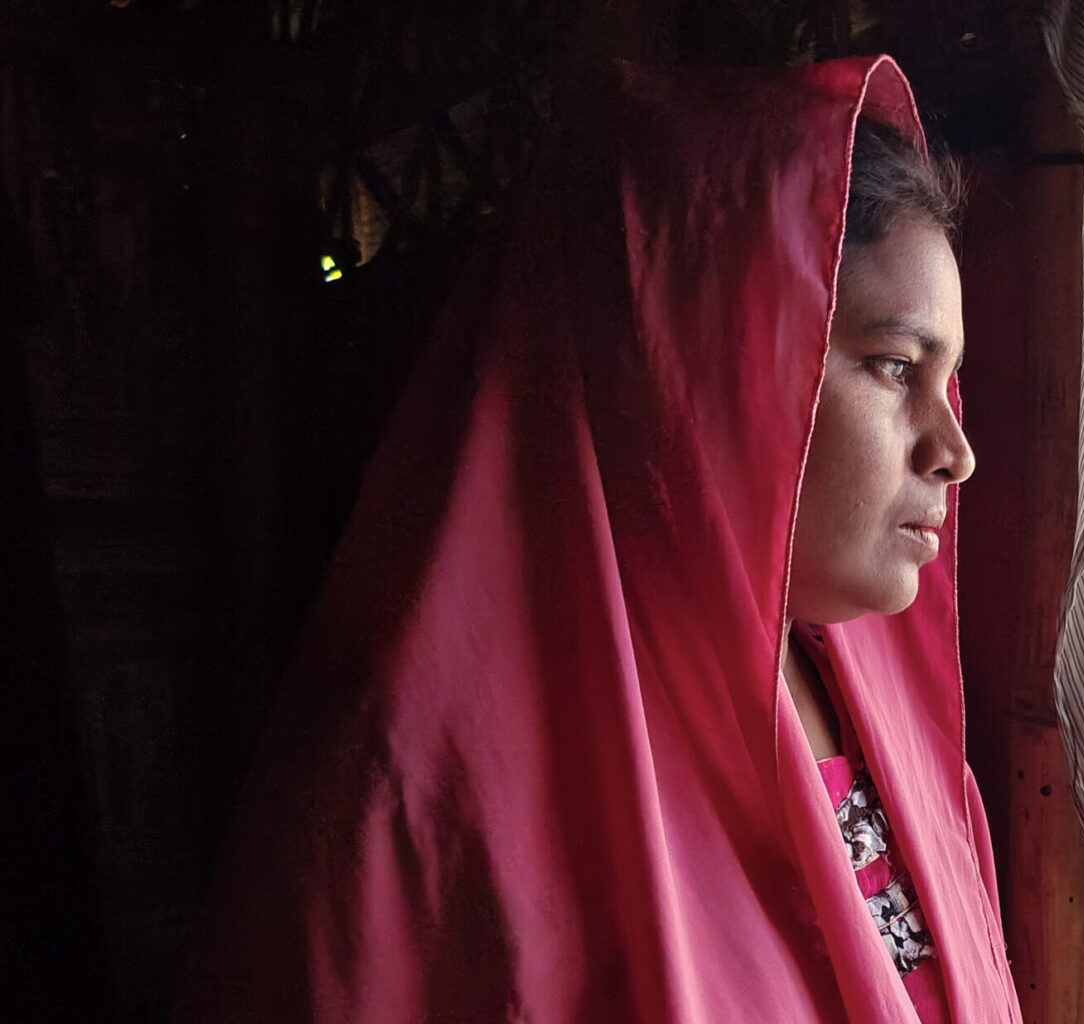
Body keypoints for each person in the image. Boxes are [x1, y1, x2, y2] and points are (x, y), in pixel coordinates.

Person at [175, 56, 1023, 1023]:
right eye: (892, 366)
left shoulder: (885, 717)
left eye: (943, 377)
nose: (952, 450)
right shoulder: (421, 801)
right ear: (706, 364)